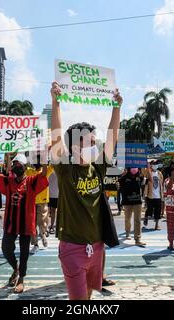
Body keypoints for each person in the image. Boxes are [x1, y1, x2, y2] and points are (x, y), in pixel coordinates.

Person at [50, 81, 123, 300]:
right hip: (72, 247)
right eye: (89, 142)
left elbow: (113, 137)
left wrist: (117, 107)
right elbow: (55, 136)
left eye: (95, 141)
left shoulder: (98, 166)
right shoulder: (65, 169)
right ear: (73, 146)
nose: (95, 145)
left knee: (89, 294)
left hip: (97, 247)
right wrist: (56, 103)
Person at [0, 152, 48, 294]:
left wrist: (44, 154)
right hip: (10, 223)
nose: (16, 166)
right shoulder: (9, 182)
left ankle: (21, 278)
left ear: (25, 167)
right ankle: (16, 268)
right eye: (14, 164)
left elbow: (44, 174)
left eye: (18, 164)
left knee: (24, 252)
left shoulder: (32, 181)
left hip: (26, 224)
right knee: (6, 249)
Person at [26, 157, 54, 253]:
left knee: (42, 221)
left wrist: (46, 156)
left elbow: (53, 165)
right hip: (31, 201)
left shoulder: (46, 170)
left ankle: (43, 235)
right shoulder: (29, 171)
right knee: (32, 223)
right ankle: (35, 244)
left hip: (42, 201)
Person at [119, 167, 146, 246]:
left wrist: (144, 170)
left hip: (137, 201)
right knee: (128, 218)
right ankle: (127, 232)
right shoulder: (123, 178)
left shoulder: (140, 177)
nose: (134, 169)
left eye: (136, 167)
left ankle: (137, 239)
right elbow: (119, 187)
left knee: (137, 220)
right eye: (132, 168)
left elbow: (145, 182)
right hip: (127, 202)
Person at [144, 160, 165, 230]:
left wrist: (163, 193)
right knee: (149, 209)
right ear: (151, 165)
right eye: (153, 164)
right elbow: (144, 179)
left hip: (158, 195)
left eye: (156, 164)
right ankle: (146, 217)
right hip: (150, 195)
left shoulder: (159, 173)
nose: (155, 165)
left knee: (157, 211)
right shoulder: (148, 172)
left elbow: (161, 184)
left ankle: (156, 225)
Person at [48, 169, 59, 235]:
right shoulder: (60, 171)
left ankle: (52, 226)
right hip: (57, 194)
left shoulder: (49, 170)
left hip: (50, 194)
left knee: (52, 211)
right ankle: (56, 227)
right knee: (57, 212)